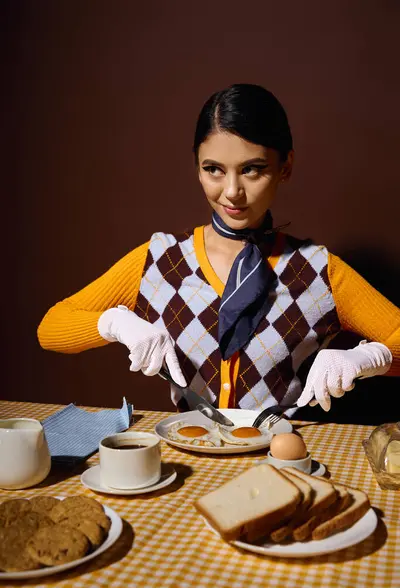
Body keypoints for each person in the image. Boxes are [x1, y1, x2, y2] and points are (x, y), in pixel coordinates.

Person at [37, 83, 400, 415]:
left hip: (286, 464)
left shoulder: (318, 271)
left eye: (252, 170)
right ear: (196, 166)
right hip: (193, 465)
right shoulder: (160, 262)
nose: (231, 192)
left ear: (285, 167)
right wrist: (114, 323)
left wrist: (369, 358)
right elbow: (50, 328)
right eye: (213, 169)